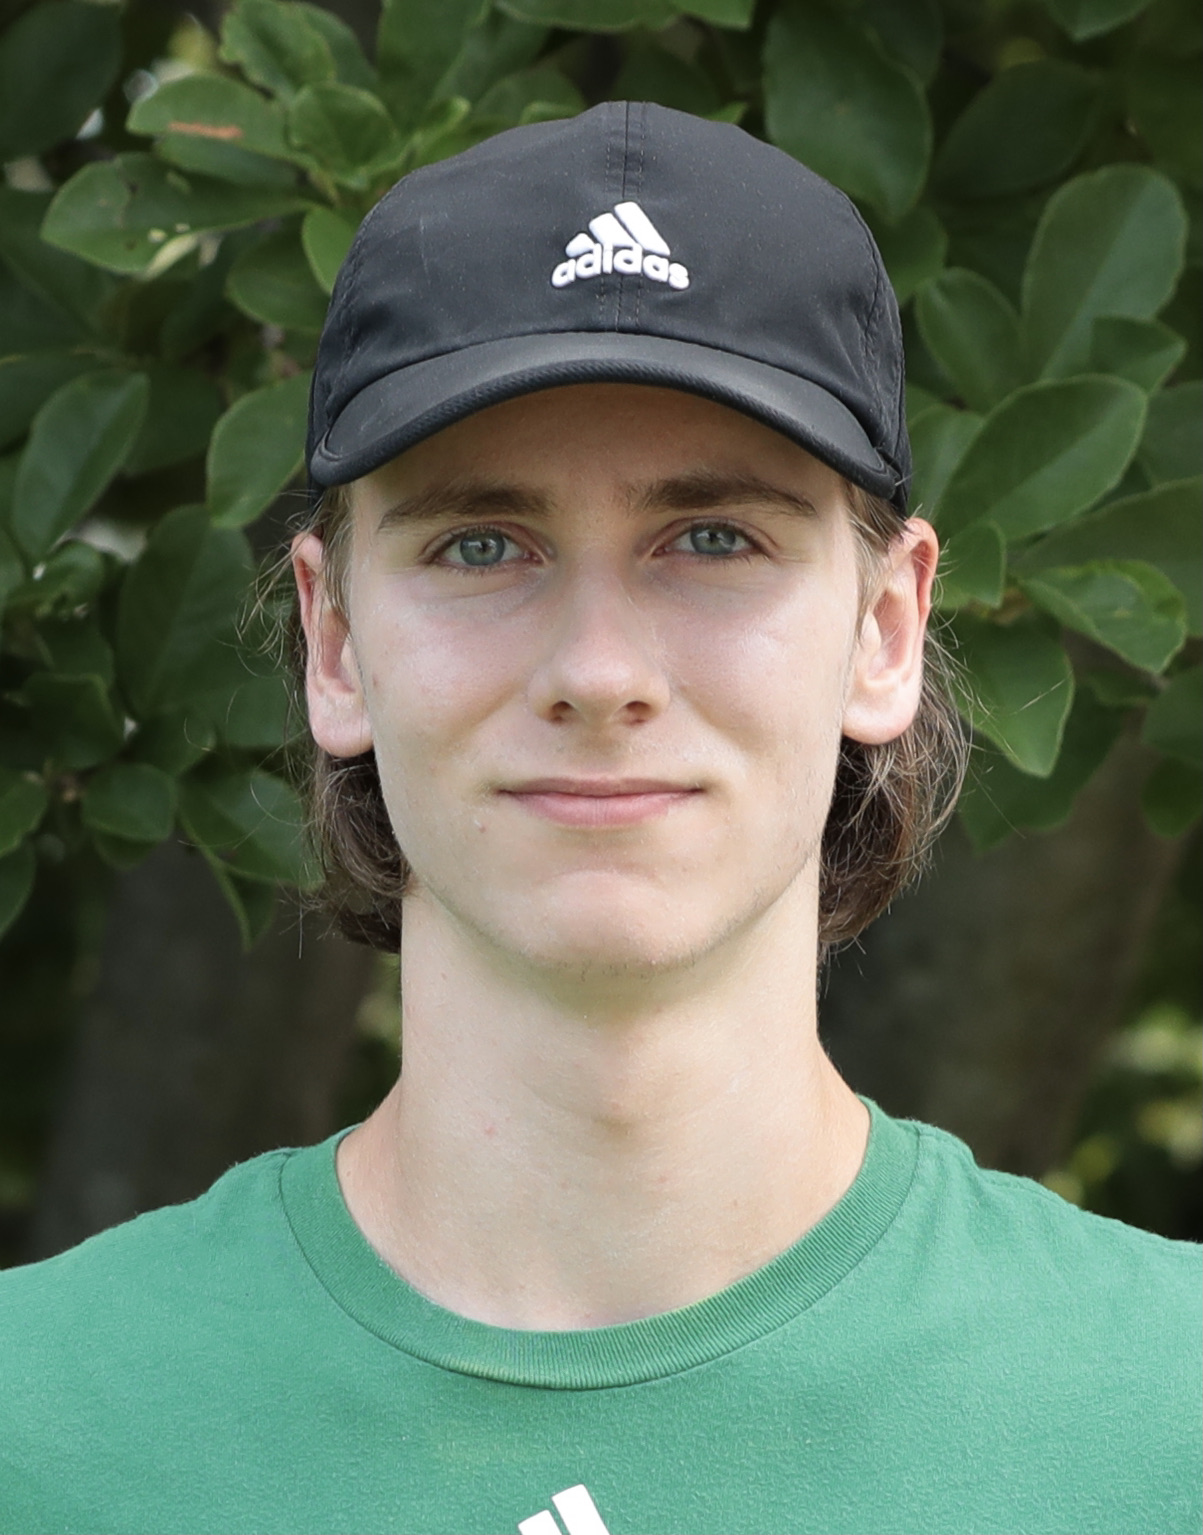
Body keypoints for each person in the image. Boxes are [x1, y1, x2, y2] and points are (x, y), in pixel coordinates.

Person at [1, 102, 1198, 1535]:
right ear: (333, 641)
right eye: (481, 545)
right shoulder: (43, 1426)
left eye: (714, 539)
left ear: (886, 628)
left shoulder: (1164, 1416)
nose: (599, 671)